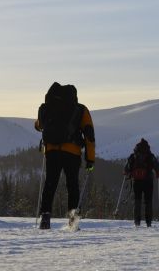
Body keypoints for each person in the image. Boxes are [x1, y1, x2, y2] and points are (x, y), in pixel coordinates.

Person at [35, 82, 95, 230]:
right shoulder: (80, 109)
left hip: (52, 151)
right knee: (72, 185)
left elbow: (39, 125)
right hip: (72, 152)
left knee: (50, 183)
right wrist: (90, 159)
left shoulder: (46, 107)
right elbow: (89, 135)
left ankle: (45, 218)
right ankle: (73, 222)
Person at [124, 138, 159, 227]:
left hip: (137, 181)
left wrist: (127, 173)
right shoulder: (150, 156)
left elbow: (126, 168)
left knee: (137, 201)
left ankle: (137, 222)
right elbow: (157, 167)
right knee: (148, 202)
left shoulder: (133, 156)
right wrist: (158, 174)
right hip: (148, 181)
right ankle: (148, 222)